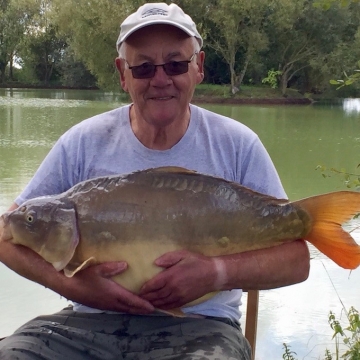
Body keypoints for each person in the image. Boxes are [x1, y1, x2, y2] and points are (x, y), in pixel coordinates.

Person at [0, 2, 310, 359]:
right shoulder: (82, 142)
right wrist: (76, 288)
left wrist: (216, 273)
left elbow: (297, 260)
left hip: (202, 329)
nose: (160, 79)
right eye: (144, 67)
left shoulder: (237, 145)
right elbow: (8, 236)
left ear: (199, 67)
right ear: (122, 73)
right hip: (86, 325)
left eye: (176, 64)